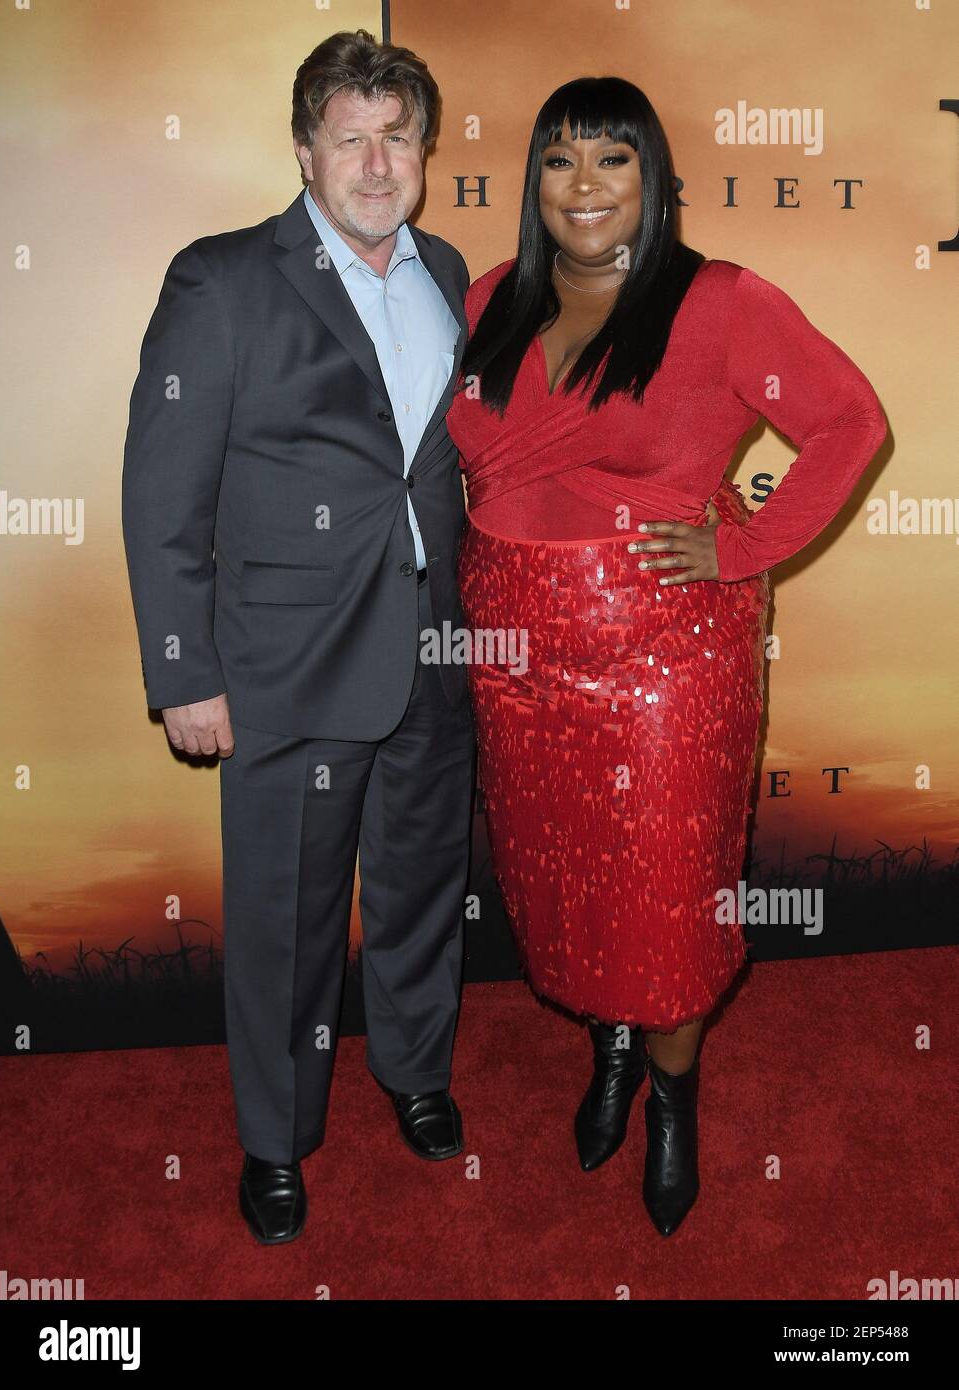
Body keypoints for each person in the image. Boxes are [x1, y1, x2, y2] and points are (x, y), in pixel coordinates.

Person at [446, 76, 887, 1236]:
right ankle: (609, 1054)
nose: (582, 186)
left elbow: (850, 423)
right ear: (532, 180)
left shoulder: (721, 302)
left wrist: (742, 544)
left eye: (612, 159)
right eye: (558, 160)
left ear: (655, 180)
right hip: (513, 653)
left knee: (662, 898)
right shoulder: (491, 297)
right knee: (563, 879)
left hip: (662, 658)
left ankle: (672, 1101)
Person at [122, 29, 476, 1246]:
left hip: (435, 652)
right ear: (304, 150)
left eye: (399, 137)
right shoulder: (222, 280)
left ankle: (416, 1074)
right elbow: (163, 491)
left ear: (424, 150)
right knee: (285, 922)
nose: (377, 163)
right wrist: (185, 673)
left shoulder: (450, 270)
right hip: (287, 666)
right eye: (352, 138)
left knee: (426, 890)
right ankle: (276, 1143)